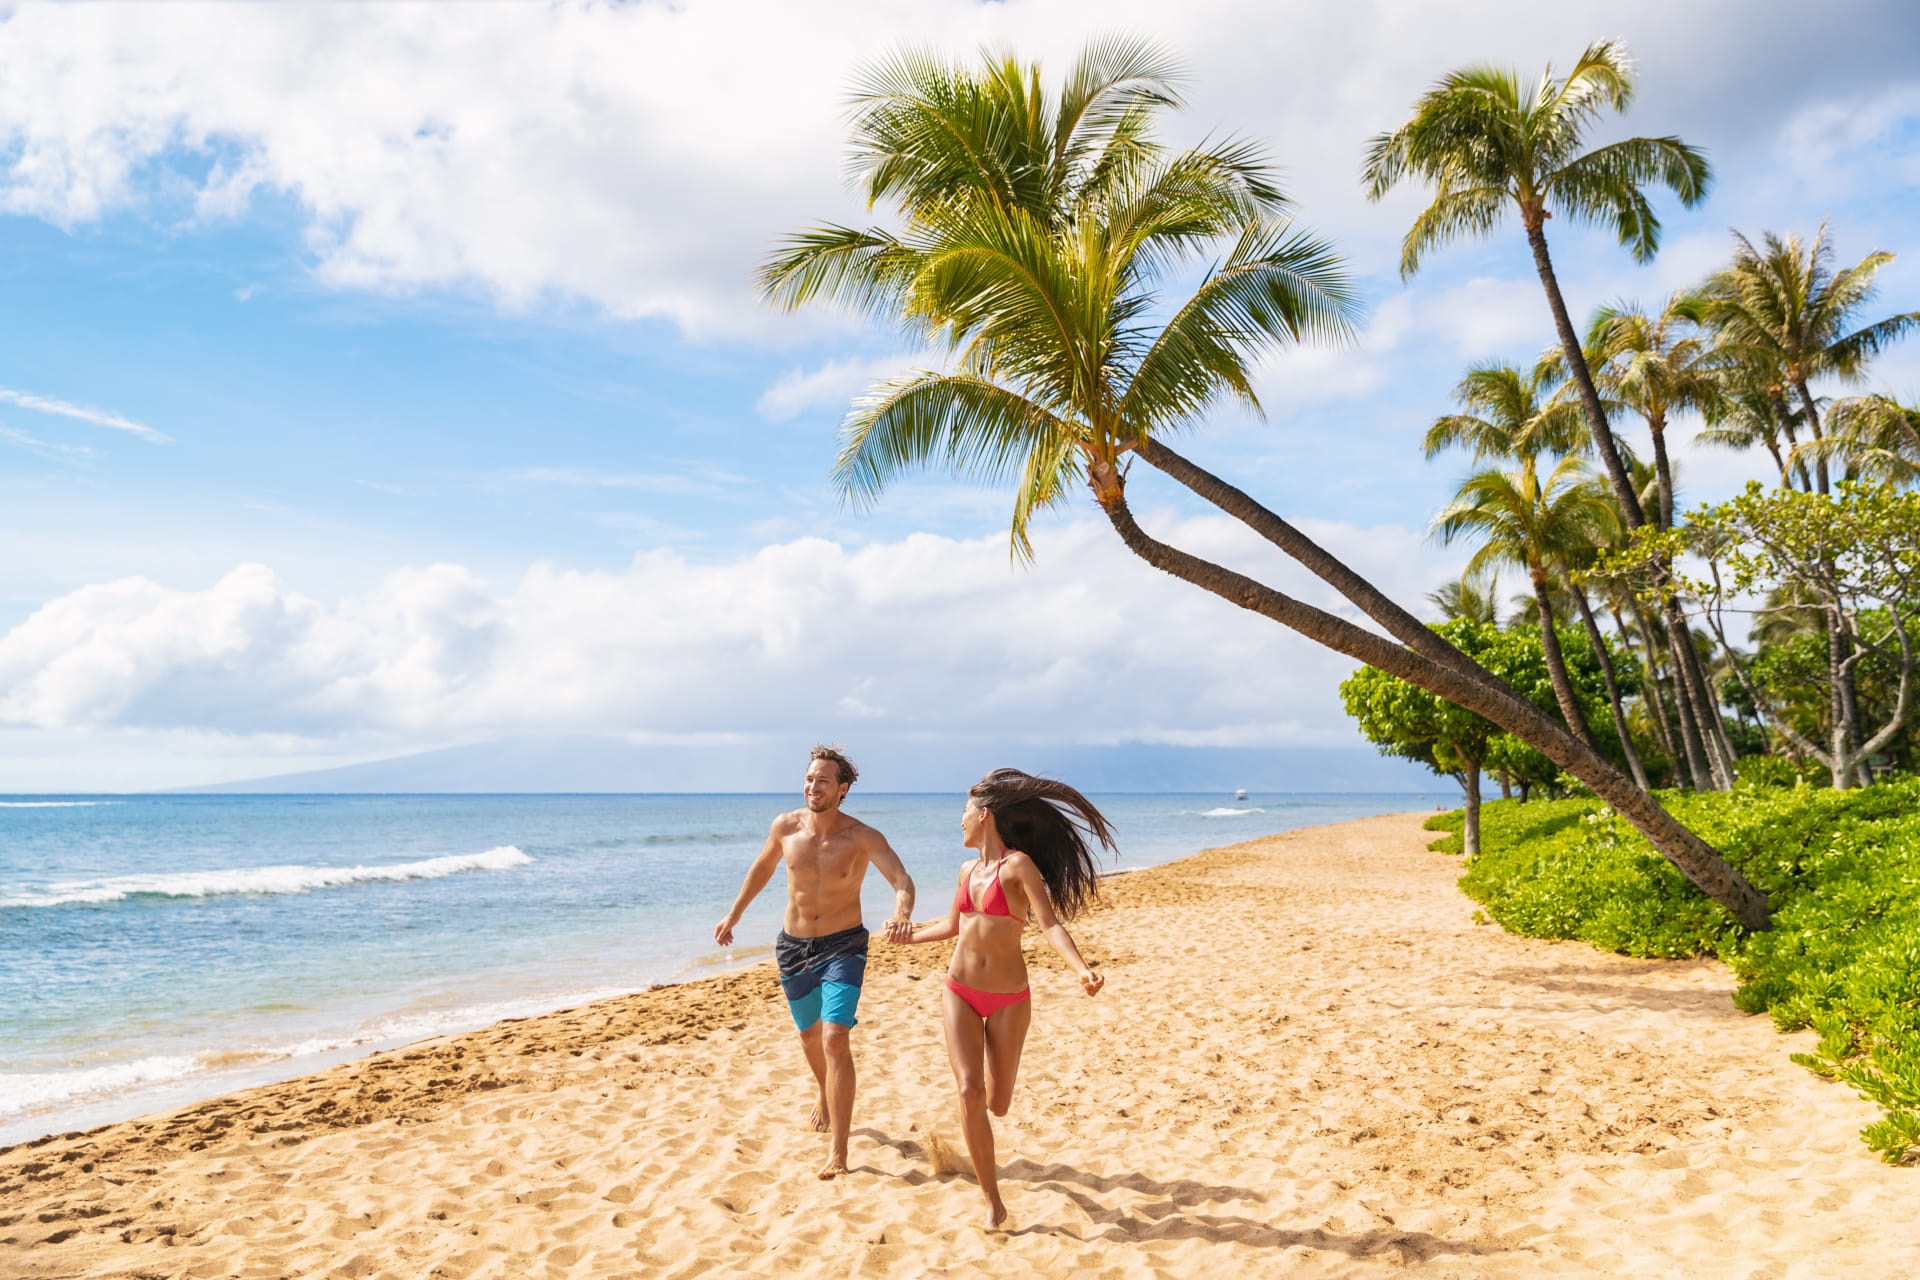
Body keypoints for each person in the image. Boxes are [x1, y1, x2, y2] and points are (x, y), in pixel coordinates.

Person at [897, 768, 1114, 1227]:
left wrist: (1081, 970)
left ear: (985, 815)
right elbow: (953, 927)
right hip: (959, 990)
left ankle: (979, 1147)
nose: (960, 819)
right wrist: (908, 936)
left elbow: (1050, 924)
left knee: (997, 1103)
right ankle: (993, 1202)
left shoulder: (1017, 867)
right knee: (970, 1091)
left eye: (964, 810)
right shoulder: (966, 870)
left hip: (1009, 999)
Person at [714, 745, 915, 1180]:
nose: (812, 786)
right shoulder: (785, 826)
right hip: (793, 946)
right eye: (809, 779)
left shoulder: (862, 837)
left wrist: (901, 914)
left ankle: (838, 1152)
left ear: (842, 789)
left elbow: (901, 880)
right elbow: (762, 868)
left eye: (822, 780)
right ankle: (825, 1095)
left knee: (834, 1038)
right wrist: (734, 914)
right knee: (809, 1038)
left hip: (844, 946)